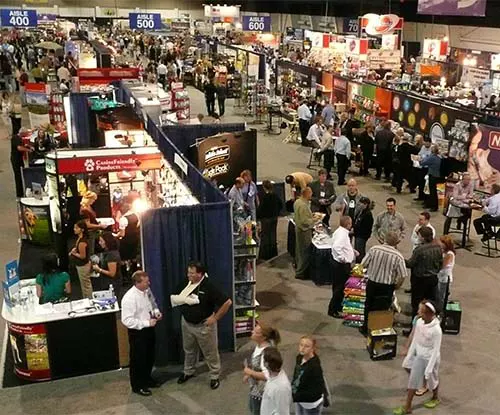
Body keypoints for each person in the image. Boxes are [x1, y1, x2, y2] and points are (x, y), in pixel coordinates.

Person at [172, 262, 232, 390]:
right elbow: (176, 296)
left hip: (203, 326)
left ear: (200, 274)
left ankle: (214, 375)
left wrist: (215, 318)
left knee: (210, 353)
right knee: (189, 350)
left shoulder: (209, 286)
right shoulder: (186, 282)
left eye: (192, 273)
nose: (189, 275)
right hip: (187, 323)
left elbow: (227, 302)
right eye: (188, 272)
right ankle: (188, 371)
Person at [393, 301, 442, 415]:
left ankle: (435, 397)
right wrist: (409, 356)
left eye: (421, 311)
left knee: (432, 380)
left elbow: (436, 350)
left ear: (429, 314)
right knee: (413, 380)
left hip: (430, 358)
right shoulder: (419, 322)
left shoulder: (436, 330)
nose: (418, 312)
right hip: (419, 356)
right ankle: (407, 407)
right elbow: (415, 339)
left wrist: (429, 368)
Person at [121, 271, 162, 396]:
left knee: (149, 356)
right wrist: (146, 323)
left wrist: (156, 311)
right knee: (138, 359)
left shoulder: (147, 290)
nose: (149, 283)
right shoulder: (129, 298)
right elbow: (126, 320)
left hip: (149, 328)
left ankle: (147, 379)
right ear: (137, 283)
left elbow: (152, 302)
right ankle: (137, 386)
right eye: (146, 281)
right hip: (138, 333)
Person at [359, 231, 407, 336]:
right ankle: (378, 329)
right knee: (383, 308)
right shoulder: (398, 256)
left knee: (369, 305)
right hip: (387, 287)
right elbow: (403, 275)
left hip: (372, 283)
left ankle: (366, 327)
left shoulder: (374, 249)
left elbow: (363, 264)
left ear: (384, 239)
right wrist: (397, 286)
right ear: (396, 242)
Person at [243, 323, 281, 415]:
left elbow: (268, 375)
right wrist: (249, 375)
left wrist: (250, 372)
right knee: (252, 408)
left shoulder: (267, 353)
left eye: (256, 332)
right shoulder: (258, 346)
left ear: (263, 337)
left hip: (262, 392)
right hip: (255, 388)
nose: (252, 332)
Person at [406, 226, 443, 318]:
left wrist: (400, 259)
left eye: (419, 235)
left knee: (417, 304)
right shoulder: (438, 247)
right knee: (430, 304)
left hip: (419, 280)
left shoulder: (419, 250)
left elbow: (411, 263)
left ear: (422, 237)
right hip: (433, 279)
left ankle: (414, 326)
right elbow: (440, 263)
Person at [328, 216, 356, 318]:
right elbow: (336, 247)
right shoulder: (343, 235)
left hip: (337, 264)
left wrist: (352, 251)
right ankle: (333, 309)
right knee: (339, 288)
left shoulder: (339, 231)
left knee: (338, 286)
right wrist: (343, 258)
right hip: (341, 266)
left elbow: (343, 245)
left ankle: (338, 305)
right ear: (348, 224)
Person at [291, 336, 327, 415]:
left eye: (307, 346)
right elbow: (296, 375)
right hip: (300, 400)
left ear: (313, 348)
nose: (302, 348)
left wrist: (296, 396)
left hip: (311, 404)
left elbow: (317, 390)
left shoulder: (314, 367)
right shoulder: (299, 358)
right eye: (301, 345)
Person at [260, 347, 292, 415]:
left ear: (266, 364)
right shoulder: (272, 376)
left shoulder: (281, 387)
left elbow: (283, 412)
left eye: (262, 359)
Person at [257, 180, 283, 260]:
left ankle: (265, 255)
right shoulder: (275, 195)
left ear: (264, 188)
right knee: (273, 235)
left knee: (265, 236)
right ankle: (273, 253)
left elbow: (261, 209)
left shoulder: (265, 197)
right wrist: (276, 213)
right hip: (274, 218)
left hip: (266, 219)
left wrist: (258, 217)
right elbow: (281, 204)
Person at [294, 187, 316, 280]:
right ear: (307, 194)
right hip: (304, 230)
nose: (311, 195)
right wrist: (314, 220)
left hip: (299, 229)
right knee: (305, 252)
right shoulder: (303, 205)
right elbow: (304, 221)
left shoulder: (297, 202)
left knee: (299, 250)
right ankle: (301, 272)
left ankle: (299, 269)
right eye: (310, 193)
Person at [93, 232, 122, 298]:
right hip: (107, 283)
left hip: (112, 284)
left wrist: (99, 270)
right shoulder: (108, 252)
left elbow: (112, 273)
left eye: (101, 241)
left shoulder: (112, 255)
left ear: (107, 241)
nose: (99, 243)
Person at [70, 220, 92, 299]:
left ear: (82, 229)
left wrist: (74, 253)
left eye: (76, 228)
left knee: (86, 285)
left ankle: (89, 299)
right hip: (82, 265)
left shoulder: (82, 242)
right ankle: (86, 298)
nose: (74, 229)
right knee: (84, 284)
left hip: (83, 266)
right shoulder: (80, 238)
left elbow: (83, 256)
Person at [80, 191, 106, 256]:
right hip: (90, 232)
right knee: (91, 250)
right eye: (93, 199)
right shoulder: (84, 209)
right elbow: (87, 225)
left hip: (94, 231)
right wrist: (99, 226)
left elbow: (91, 219)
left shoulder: (88, 206)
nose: (94, 201)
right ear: (88, 198)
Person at [436, 235, 455, 314]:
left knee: (441, 296)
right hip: (440, 276)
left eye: (441, 242)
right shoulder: (443, 251)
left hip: (445, 278)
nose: (439, 243)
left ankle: (440, 311)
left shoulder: (449, 254)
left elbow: (442, 265)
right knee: (438, 294)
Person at [10, 133, 32, 197]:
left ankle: (22, 191)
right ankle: (19, 194)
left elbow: (22, 145)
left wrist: (28, 146)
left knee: (22, 174)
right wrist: (28, 150)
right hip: (16, 160)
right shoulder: (16, 138)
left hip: (19, 159)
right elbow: (19, 148)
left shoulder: (18, 138)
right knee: (18, 177)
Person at [421, 145, 442, 212]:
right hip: (437, 175)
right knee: (433, 191)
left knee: (432, 191)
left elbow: (423, 163)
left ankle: (433, 206)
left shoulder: (432, 157)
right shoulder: (439, 157)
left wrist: (422, 159)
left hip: (432, 175)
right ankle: (432, 205)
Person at [353, 196, 374, 262]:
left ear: (366, 205)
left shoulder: (368, 214)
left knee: (360, 252)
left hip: (361, 236)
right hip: (357, 235)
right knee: (357, 250)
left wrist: (355, 231)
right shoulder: (360, 212)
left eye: (362, 203)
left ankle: (360, 266)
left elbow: (366, 227)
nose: (360, 205)